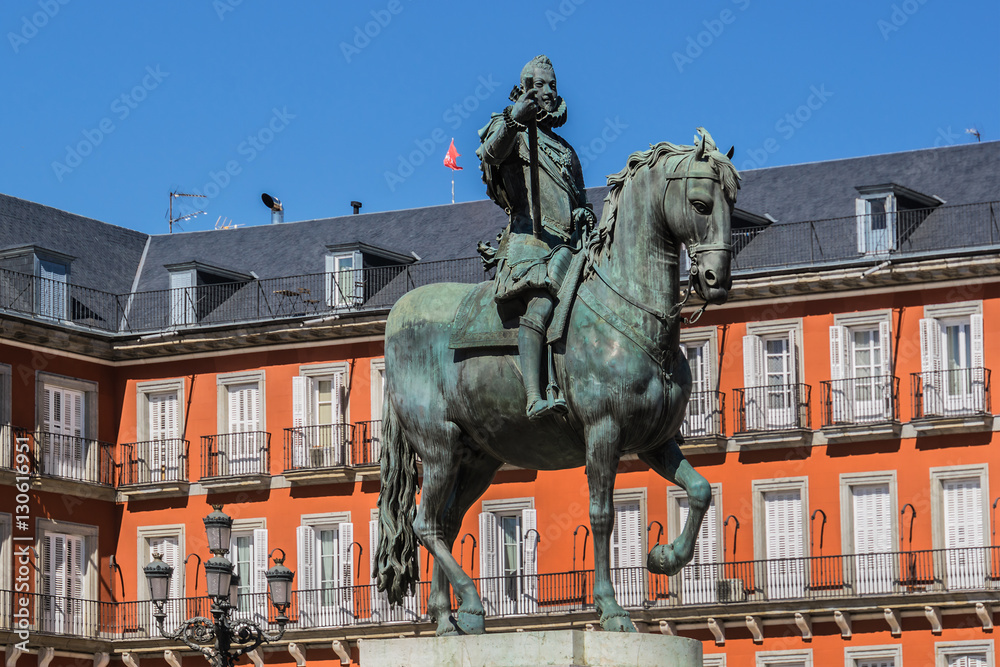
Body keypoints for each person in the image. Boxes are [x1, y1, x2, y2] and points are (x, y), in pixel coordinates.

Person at [477, 55, 595, 419]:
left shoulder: (565, 150)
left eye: (553, 86)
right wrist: (515, 118)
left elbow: (578, 199)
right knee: (542, 304)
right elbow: (491, 154)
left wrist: (582, 212)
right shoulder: (508, 128)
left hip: (568, 247)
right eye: (539, 85)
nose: (547, 92)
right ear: (525, 89)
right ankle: (533, 395)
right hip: (529, 243)